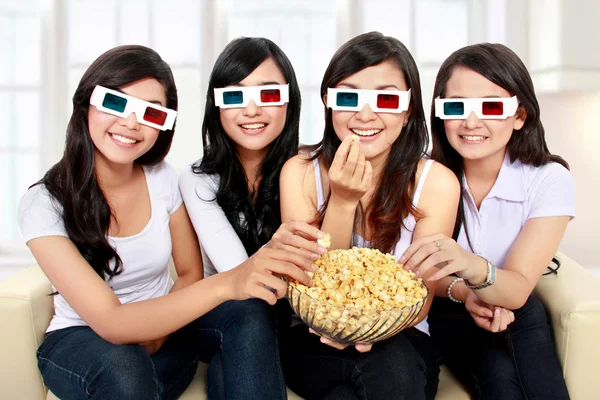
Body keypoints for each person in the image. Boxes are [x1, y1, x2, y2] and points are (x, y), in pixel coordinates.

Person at [18, 44, 316, 400]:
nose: (131, 123)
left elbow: (189, 273)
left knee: (249, 312)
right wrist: (229, 283)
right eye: (115, 102)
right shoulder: (43, 202)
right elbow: (112, 323)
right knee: (124, 366)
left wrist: (159, 334)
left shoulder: (162, 179)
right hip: (83, 339)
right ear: (85, 104)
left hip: (168, 332)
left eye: (151, 113)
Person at [278, 31, 460, 400]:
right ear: (328, 103)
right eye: (348, 97)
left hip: (401, 336)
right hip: (315, 335)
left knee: (385, 367)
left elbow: (419, 299)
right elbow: (310, 282)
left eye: (387, 99)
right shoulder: (299, 171)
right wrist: (343, 202)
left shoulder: (437, 183)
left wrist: (361, 326)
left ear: (408, 110)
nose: (365, 114)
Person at [400, 43, 574, 399]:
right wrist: (464, 290)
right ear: (440, 115)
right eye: (456, 107)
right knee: (508, 338)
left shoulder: (548, 179)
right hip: (446, 312)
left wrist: (469, 265)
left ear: (520, 115)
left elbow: (518, 289)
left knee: (514, 333)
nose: (471, 122)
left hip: (513, 311)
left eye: (492, 107)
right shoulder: (421, 178)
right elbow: (412, 273)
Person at [179, 37, 326, 399]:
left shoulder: (312, 169)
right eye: (234, 96)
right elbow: (242, 275)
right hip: (223, 314)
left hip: (292, 326)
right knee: (249, 313)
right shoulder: (198, 178)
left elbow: (321, 268)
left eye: (269, 94)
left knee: (228, 374)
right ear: (216, 106)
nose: (252, 109)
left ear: (289, 101)